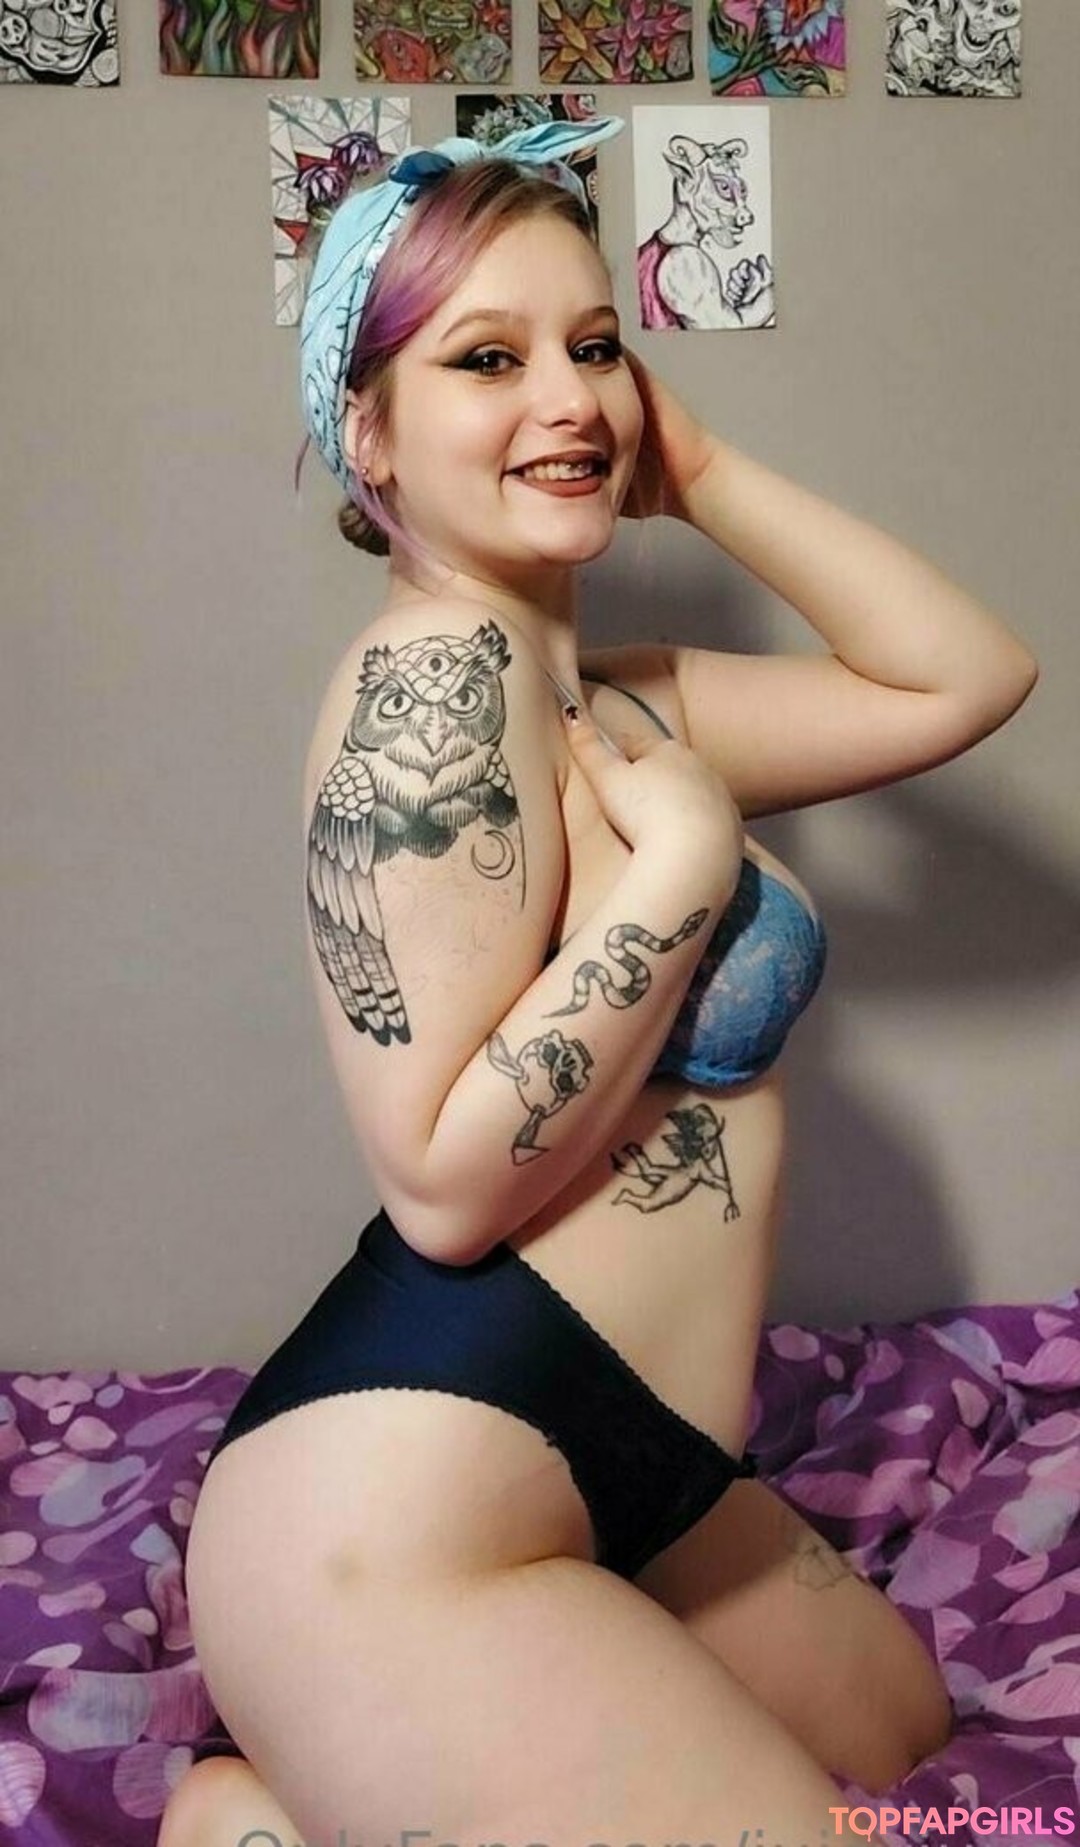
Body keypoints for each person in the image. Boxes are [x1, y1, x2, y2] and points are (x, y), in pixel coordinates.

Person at [160, 115, 1037, 1847]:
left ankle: (269, 1810)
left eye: (596, 346)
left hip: (634, 1463)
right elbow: (438, 1184)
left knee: (911, 1741)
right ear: (368, 431)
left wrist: (690, 462)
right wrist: (688, 873)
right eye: (488, 359)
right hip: (403, 1508)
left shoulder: (615, 697)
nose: (567, 397)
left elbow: (964, 677)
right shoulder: (434, 678)